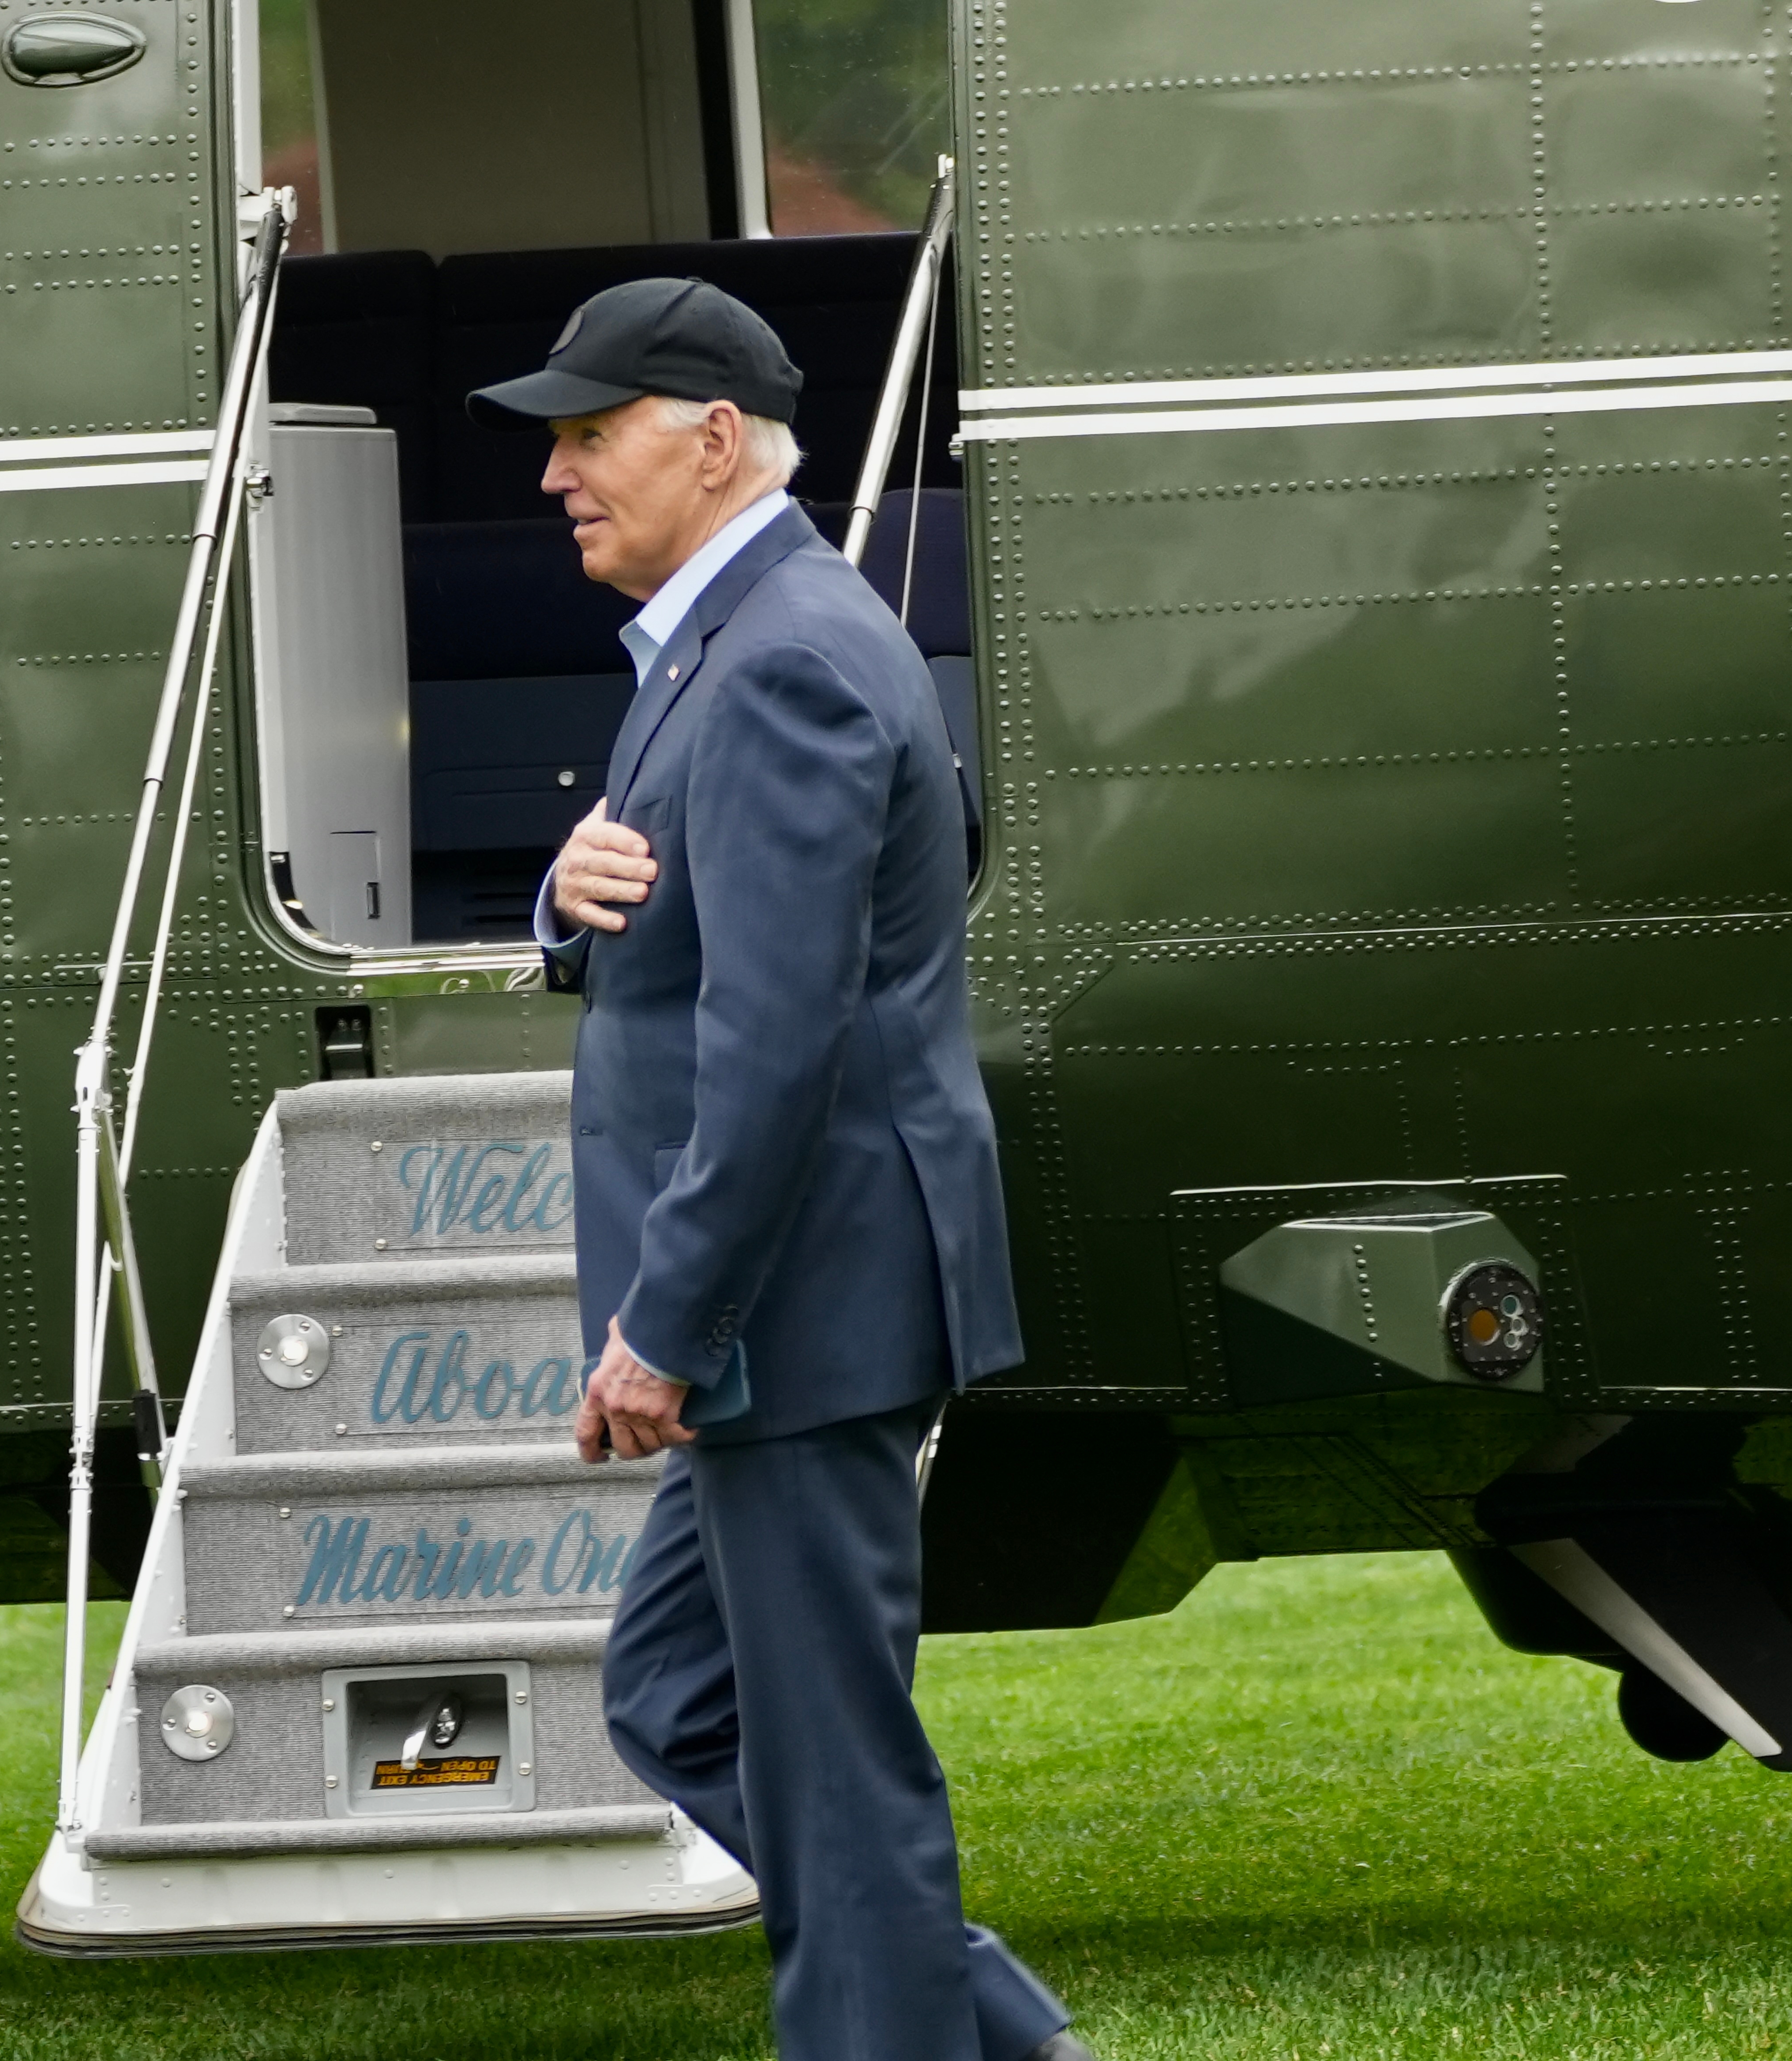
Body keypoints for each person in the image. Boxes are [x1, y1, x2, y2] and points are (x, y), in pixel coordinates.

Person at [465, 278, 1092, 2061]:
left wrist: (661, 1327)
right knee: (676, 1696)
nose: (555, 476)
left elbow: (776, 1038)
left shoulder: (784, 654)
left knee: (831, 1762)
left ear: (714, 438)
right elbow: (687, 915)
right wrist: (554, 896)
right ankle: (1005, 2038)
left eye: (593, 436)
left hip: (792, 1304)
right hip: (788, 1305)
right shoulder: (736, 640)